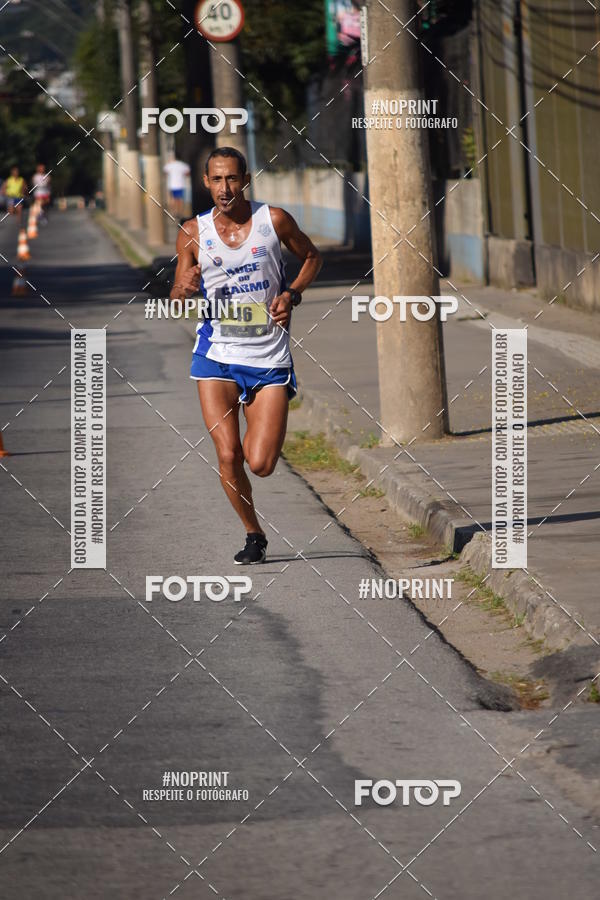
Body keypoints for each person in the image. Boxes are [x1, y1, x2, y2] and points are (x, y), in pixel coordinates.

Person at [170, 147, 322, 564]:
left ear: (246, 179)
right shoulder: (192, 232)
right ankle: (253, 533)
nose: (225, 188)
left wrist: (291, 294)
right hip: (215, 356)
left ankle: (255, 480)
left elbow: (311, 256)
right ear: (206, 182)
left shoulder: (273, 221)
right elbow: (178, 295)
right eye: (217, 180)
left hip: (268, 359)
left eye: (232, 179)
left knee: (261, 463)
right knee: (227, 453)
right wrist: (183, 286)